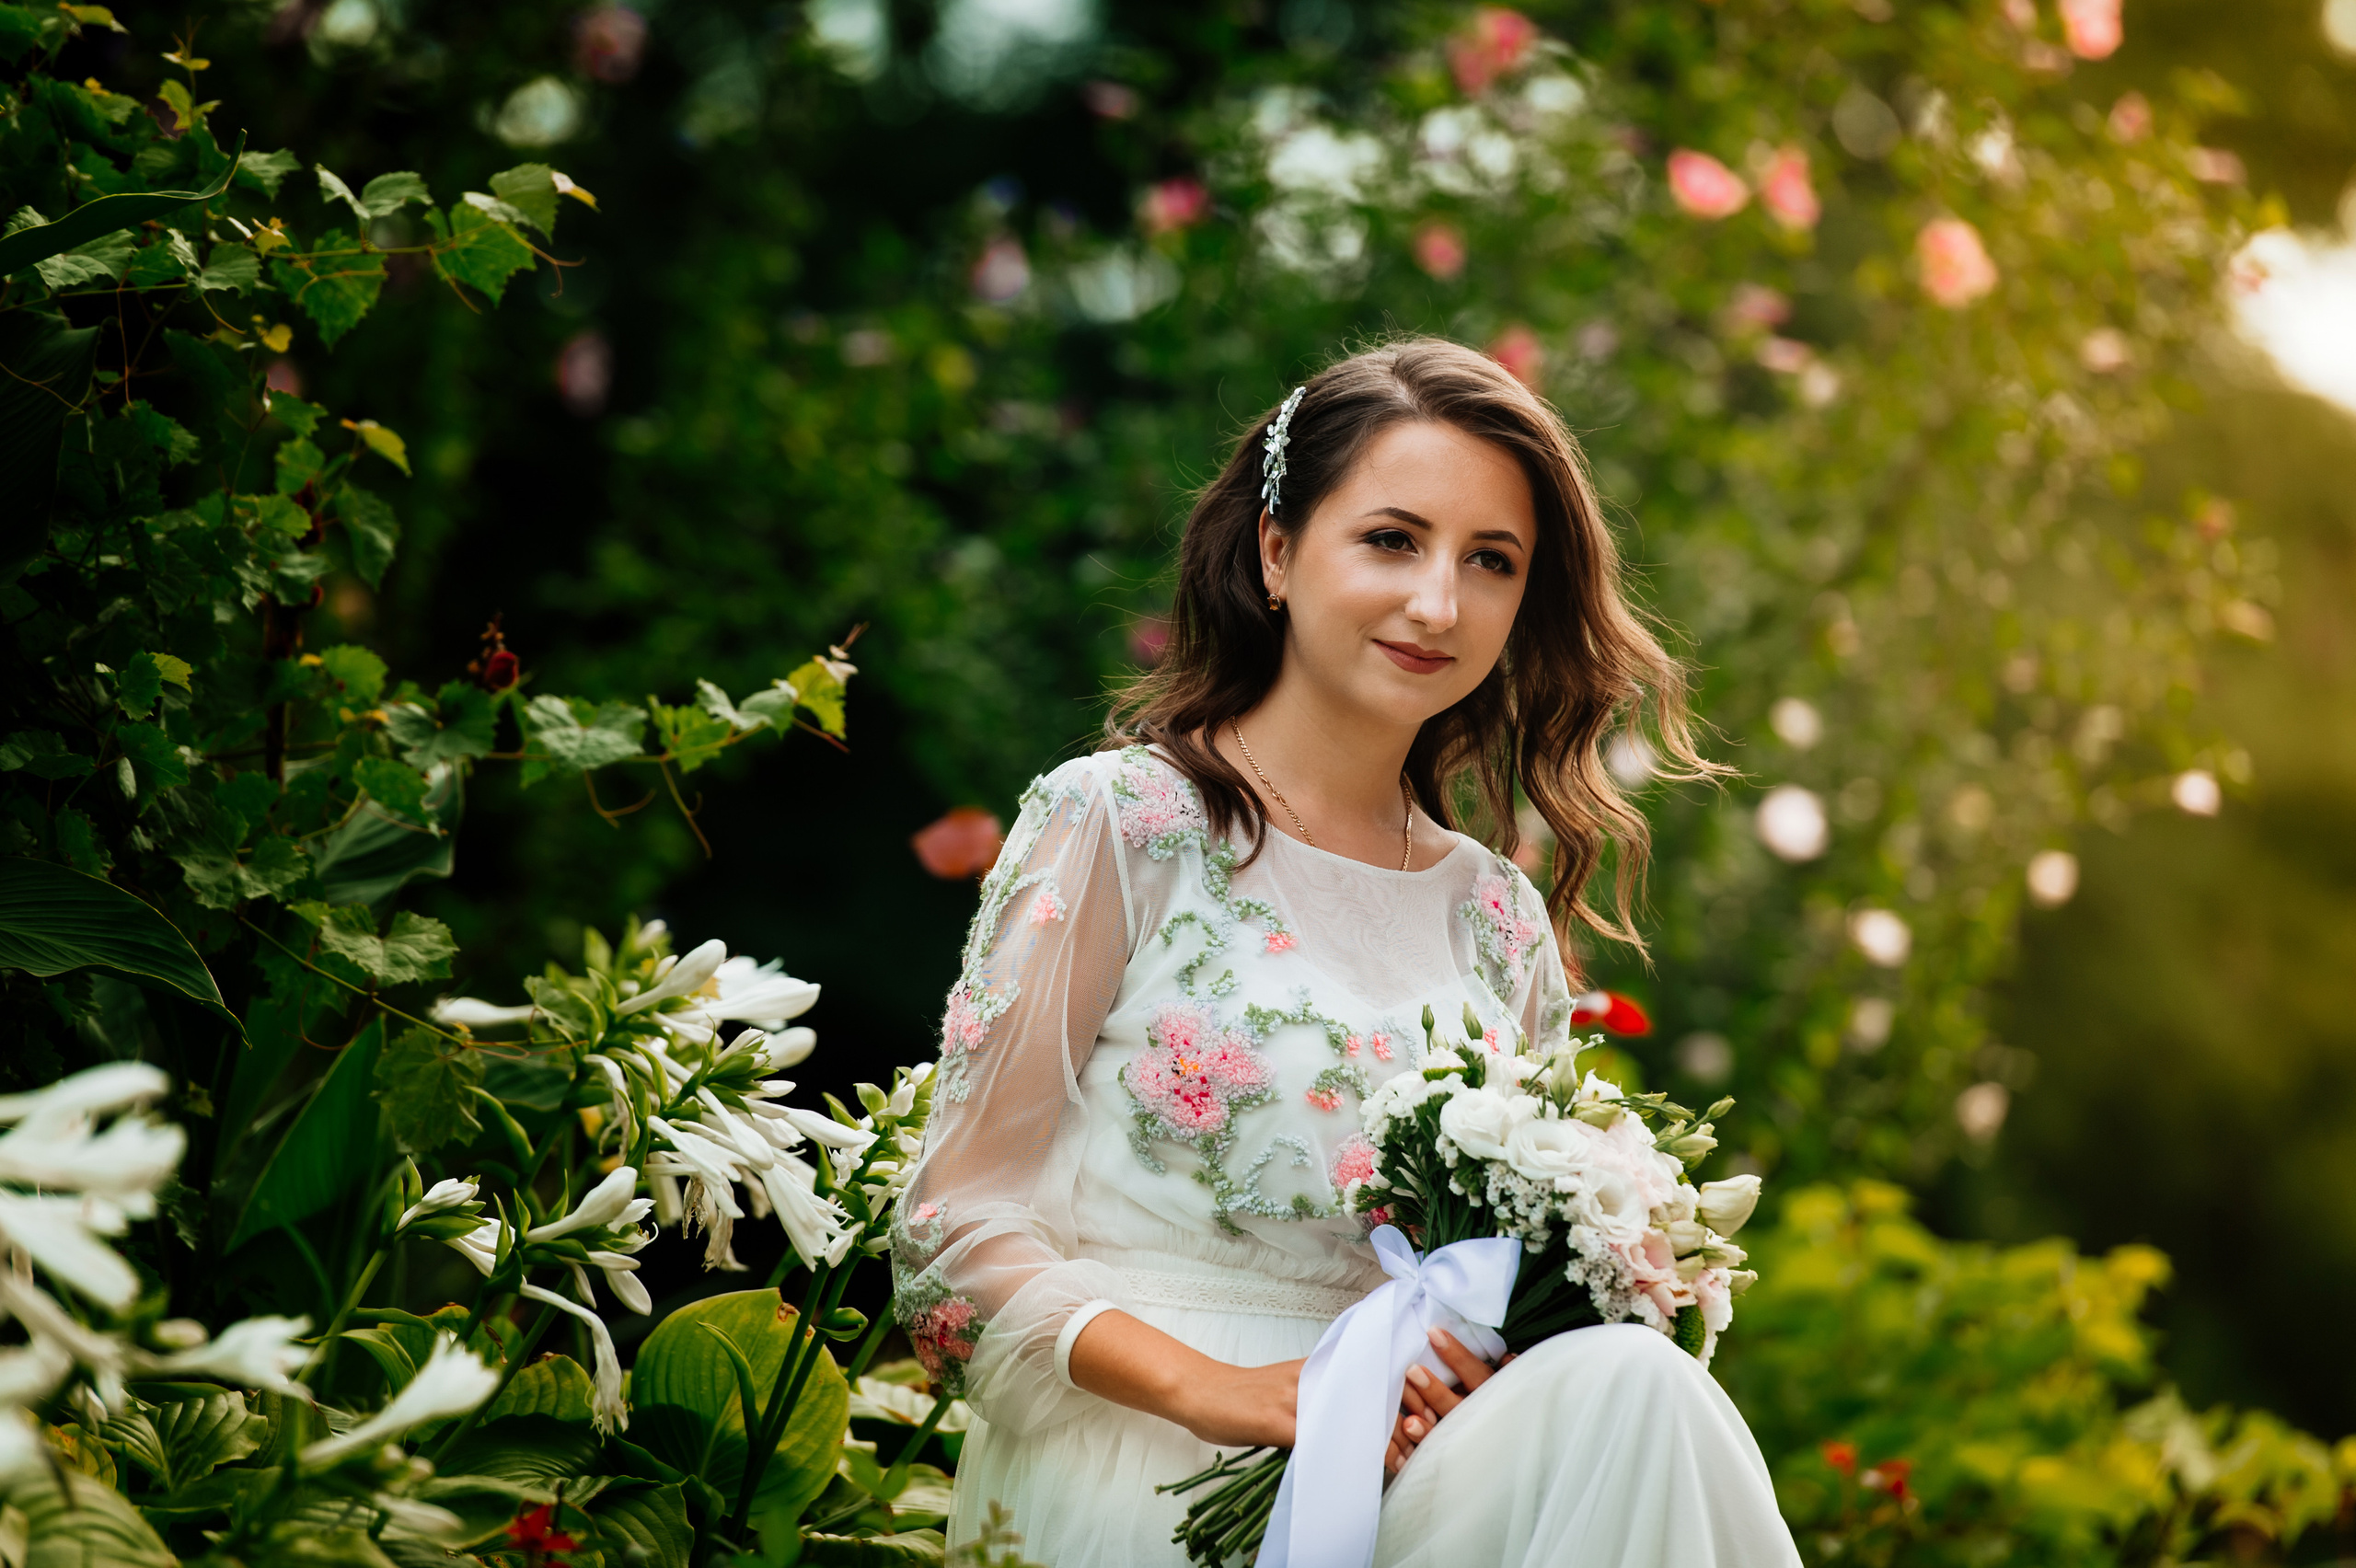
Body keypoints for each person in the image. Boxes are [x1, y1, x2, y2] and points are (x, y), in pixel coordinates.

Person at [891, 338, 1802, 1566]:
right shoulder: (1125, 823)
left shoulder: (1495, 915)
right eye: (1392, 539)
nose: (1439, 603)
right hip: (1155, 1469)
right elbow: (954, 1228)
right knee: (1636, 1394)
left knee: (1634, 1383)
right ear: (1277, 551)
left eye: (1492, 563)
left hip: (1414, 1480)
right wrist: (1225, 1389)